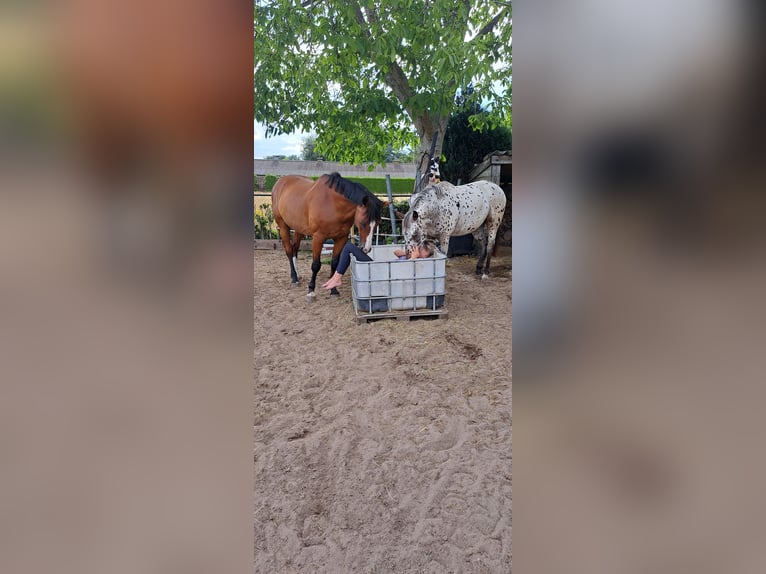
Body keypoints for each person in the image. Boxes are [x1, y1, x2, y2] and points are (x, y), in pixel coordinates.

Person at [322, 241, 435, 290]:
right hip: (380, 269)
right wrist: (409, 254)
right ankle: (336, 277)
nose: (419, 255)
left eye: (422, 255)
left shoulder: (419, 264)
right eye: (420, 251)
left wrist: (415, 259)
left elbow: (405, 272)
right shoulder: (412, 257)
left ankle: (337, 278)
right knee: (348, 247)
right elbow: (396, 252)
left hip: (383, 273)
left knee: (348, 247)